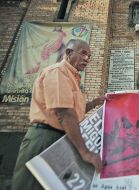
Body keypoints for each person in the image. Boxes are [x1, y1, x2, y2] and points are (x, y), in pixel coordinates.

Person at [11, 39, 106, 190]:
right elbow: (65, 114)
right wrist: (85, 152)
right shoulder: (57, 72)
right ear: (68, 53)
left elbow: (75, 112)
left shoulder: (73, 77)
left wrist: (94, 103)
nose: (87, 58)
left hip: (62, 139)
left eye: (89, 55)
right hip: (45, 139)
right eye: (83, 53)